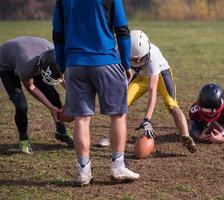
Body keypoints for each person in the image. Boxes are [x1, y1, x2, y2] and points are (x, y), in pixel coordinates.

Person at [52, 0, 140, 186]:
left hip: (74, 64)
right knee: (118, 114)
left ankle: (83, 171)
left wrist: (62, 66)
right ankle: (117, 167)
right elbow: (122, 30)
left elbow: (58, 35)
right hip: (105, 60)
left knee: (81, 118)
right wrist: (125, 63)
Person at [100, 30, 197, 153]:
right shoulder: (119, 50)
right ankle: (114, 137)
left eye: (140, 59)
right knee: (121, 104)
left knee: (171, 104)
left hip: (160, 75)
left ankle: (185, 136)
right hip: (140, 76)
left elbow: (152, 91)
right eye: (135, 60)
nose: (138, 62)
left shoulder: (153, 58)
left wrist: (147, 119)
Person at [0, 36, 74, 154]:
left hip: (34, 59)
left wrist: (73, 98)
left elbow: (63, 78)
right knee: (21, 105)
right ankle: (24, 139)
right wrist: (51, 108)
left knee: (53, 96)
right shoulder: (26, 67)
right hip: (6, 66)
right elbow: (31, 87)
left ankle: (61, 132)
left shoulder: (54, 53)